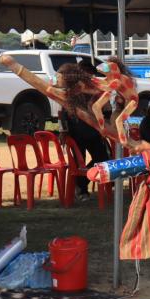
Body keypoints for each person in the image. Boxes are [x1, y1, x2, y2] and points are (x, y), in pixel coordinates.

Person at [56, 63, 110, 201]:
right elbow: (61, 113)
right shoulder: (71, 90)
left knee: (102, 158)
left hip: (94, 132)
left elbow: (105, 110)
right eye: (87, 73)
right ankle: (81, 190)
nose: (90, 76)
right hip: (76, 132)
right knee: (78, 162)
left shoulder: (94, 89)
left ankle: (81, 183)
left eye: (91, 73)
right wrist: (63, 130)